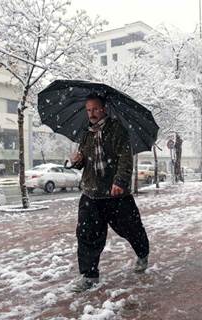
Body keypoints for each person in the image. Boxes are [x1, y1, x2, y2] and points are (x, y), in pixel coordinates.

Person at [69, 94, 150, 292]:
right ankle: (89, 276)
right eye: (89, 110)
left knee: (130, 228)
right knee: (87, 234)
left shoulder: (117, 130)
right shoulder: (86, 134)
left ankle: (142, 253)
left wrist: (120, 182)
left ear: (104, 109)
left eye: (95, 109)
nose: (92, 114)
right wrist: (77, 160)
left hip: (115, 193)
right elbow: (84, 162)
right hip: (91, 193)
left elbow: (125, 158)